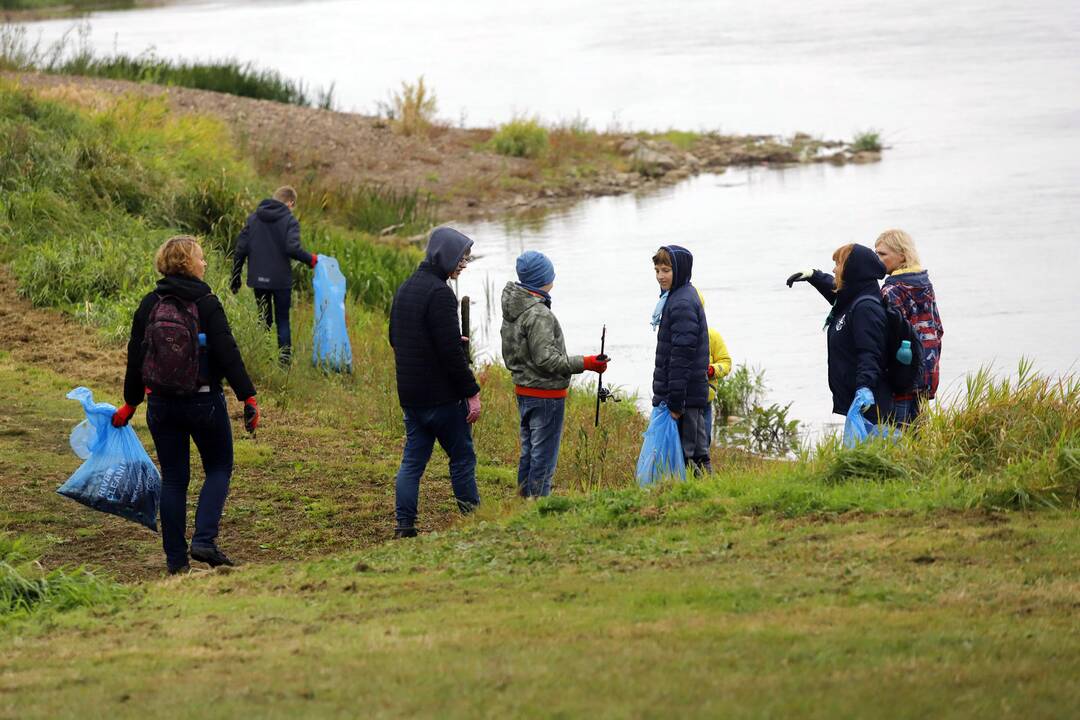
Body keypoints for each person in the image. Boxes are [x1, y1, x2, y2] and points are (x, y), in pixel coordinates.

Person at [112, 235, 260, 575]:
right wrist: (247, 396)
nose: (204, 263)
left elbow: (136, 359)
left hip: (161, 404)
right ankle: (204, 539)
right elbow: (227, 352)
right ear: (186, 264)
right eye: (201, 258)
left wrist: (130, 404)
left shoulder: (150, 303)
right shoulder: (207, 302)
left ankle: (176, 562)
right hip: (204, 400)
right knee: (219, 467)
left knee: (175, 480)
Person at [388, 227, 482, 538]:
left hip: (411, 396)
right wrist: (472, 392)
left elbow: (396, 338)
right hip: (442, 398)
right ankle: (473, 520)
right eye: (461, 259)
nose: (463, 265)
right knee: (462, 458)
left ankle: (405, 525)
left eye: (466, 260)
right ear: (444, 256)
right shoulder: (441, 294)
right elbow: (450, 355)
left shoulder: (406, 288)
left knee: (412, 462)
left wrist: (451, 340)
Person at [500, 250, 609, 498]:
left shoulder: (514, 307)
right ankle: (539, 504)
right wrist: (588, 362)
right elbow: (546, 359)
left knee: (529, 451)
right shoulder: (539, 314)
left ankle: (523, 500)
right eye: (551, 275)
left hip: (524, 390)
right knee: (544, 456)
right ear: (543, 280)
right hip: (546, 395)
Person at [786, 243, 894, 425]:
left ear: (853, 271)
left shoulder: (866, 308)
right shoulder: (854, 297)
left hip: (872, 405)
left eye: (838, 264)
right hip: (859, 402)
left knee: (874, 450)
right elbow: (839, 295)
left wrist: (864, 388)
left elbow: (870, 353)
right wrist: (814, 275)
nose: (834, 269)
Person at [230, 185, 317, 364]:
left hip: (258, 279)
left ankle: (262, 357)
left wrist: (235, 277)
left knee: (264, 319)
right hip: (280, 280)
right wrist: (311, 260)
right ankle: (284, 364)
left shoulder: (254, 218)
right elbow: (292, 248)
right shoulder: (289, 220)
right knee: (282, 320)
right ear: (290, 203)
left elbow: (240, 249)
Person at [651, 246, 711, 474]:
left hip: (685, 398)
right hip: (685, 395)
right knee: (692, 454)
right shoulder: (677, 296)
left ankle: (705, 499)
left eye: (666, 270)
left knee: (691, 457)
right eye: (657, 270)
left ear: (680, 270)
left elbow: (681, 358)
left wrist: (676, 403)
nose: (659, 276)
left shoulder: (681, 303)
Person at [874, 229, 944, 425]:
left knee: (898, 439)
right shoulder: (925, 285)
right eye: (876, 253)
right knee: (920, 440)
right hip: (928, 376)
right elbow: (937, 330)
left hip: (903, 380)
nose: (877, 259)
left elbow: (889, 338)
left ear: (902, 255)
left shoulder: (892, 290)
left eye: (883, 254)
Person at [695, 290, 733, 445]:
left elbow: (726, 362)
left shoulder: (713, 336)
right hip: (683, 400)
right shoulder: (677, 334)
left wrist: (712, 370)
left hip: (705, 398)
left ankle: (702, 466)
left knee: (704, 440)